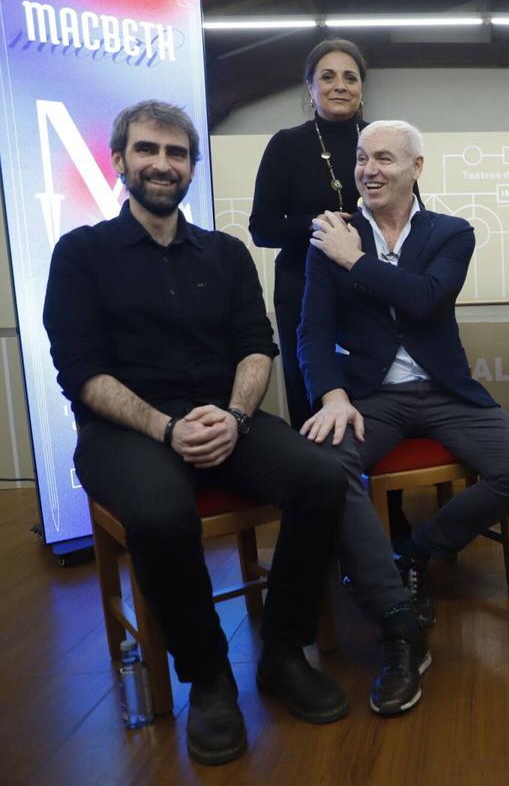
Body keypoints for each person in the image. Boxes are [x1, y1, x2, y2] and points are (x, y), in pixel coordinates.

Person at [43, 101, 348, 765]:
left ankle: (283, 653)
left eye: (177, 153)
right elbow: (81, 371)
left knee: (324, 478)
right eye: (148, 149)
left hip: (224, 416)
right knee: (158, 515)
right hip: (124, 431)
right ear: (119, 160)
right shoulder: (80, 254)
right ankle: (209, 677)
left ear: (190, 167)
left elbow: (257, 346)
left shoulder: (227, 252)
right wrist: (166, 426)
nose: (162, 163)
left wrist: (236, 417)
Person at [298, 120, 509, 641]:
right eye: (363, 158)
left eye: (384, 158)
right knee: (320, 469)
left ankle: (414, 553)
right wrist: (333, 395)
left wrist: (357, 261)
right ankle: (380, 585)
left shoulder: (451, 232)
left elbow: (425, 298)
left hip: (443, 389)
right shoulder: (331, 234)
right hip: (368, 396)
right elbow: (313, 332)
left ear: (416, 168)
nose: (369, 169)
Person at [250, 38, 368, 430]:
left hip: (370, 286)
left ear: (361, 88)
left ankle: (379, 491)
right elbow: (262, 228)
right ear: (310, 87)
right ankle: (317, 487)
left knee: (373, 397)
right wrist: (319, 224)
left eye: (350, 77)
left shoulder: (382, 140)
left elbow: (411, 217)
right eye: (328, 76)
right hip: (301, 287)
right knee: (311, 398)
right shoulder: (285, 144)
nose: (340, 85)